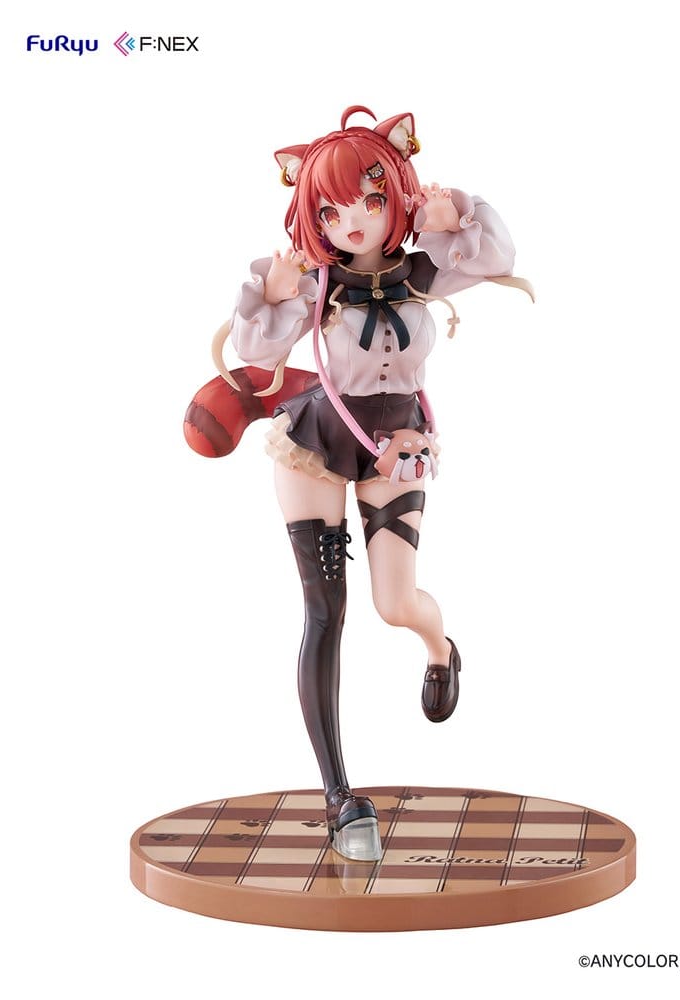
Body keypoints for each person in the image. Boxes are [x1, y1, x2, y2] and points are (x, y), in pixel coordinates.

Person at [212, 106, 530, 860]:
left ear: (398, 195)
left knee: (395, 604)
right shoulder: (316, 283)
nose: (352, 220)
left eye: (371, 199)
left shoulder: (423, 270)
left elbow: (495, 255)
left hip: (397, 444)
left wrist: (456, 214)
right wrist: (278, 290)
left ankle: (440, 649)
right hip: (316, 443)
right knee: (325, 612)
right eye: (331, 209)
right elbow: (258, 347)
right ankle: (339, 797)